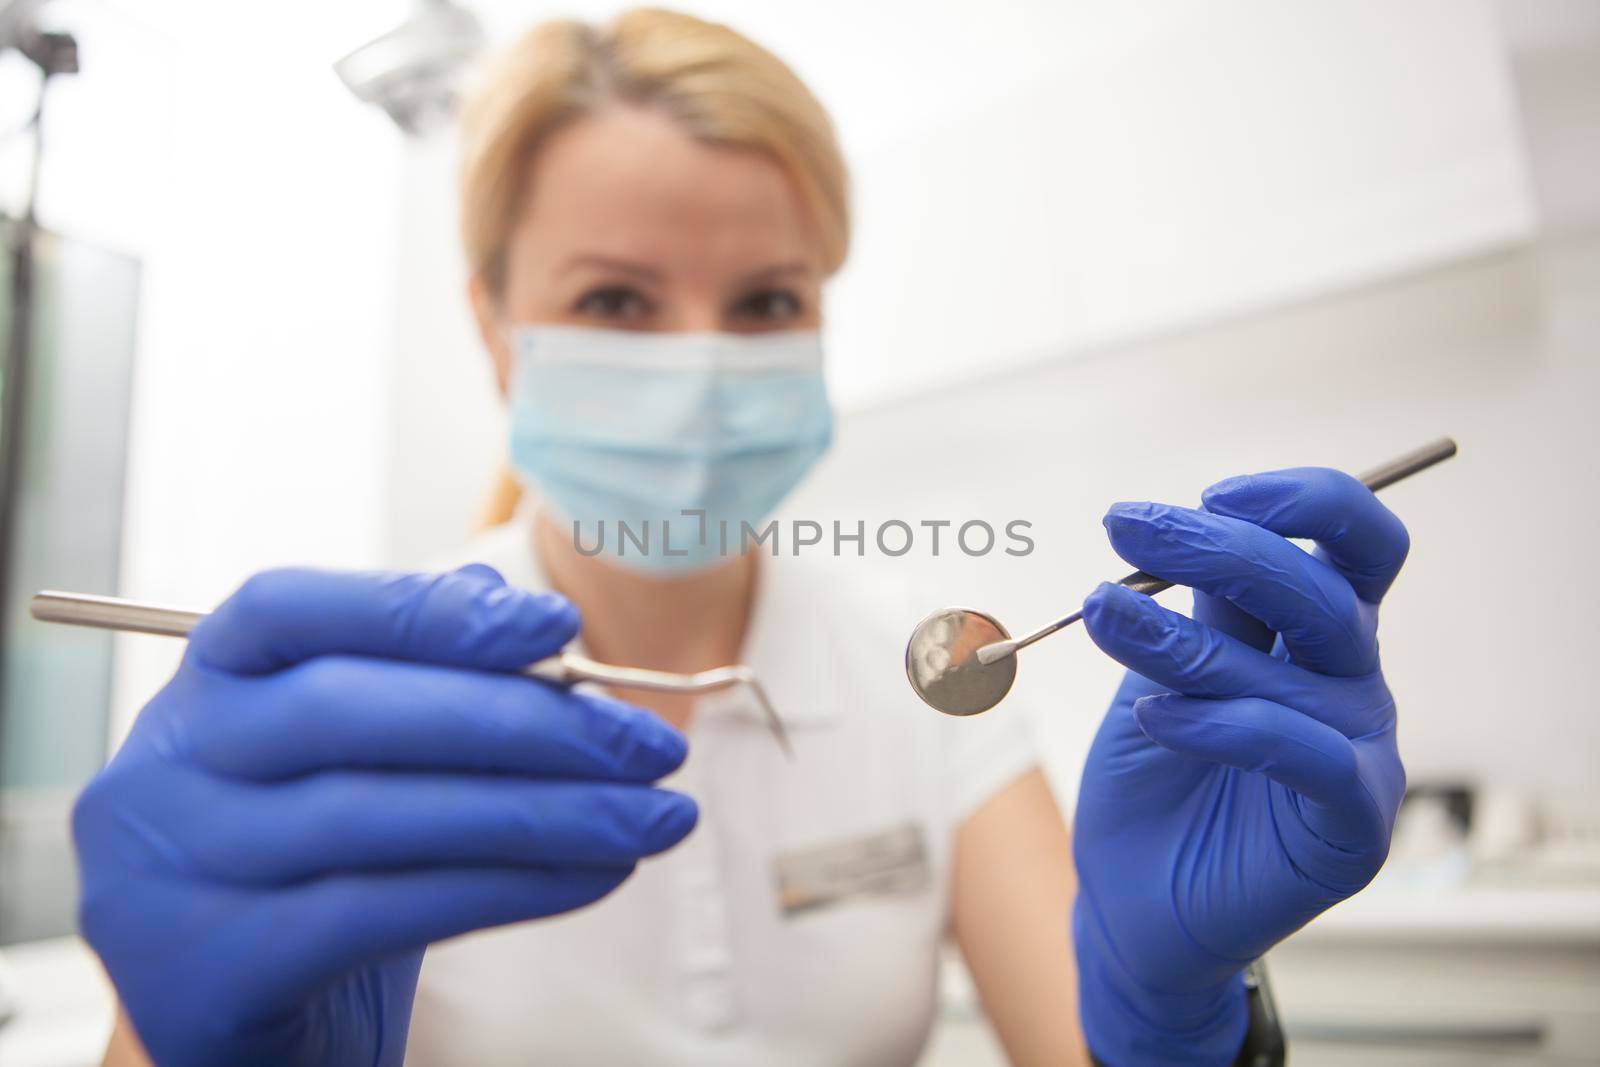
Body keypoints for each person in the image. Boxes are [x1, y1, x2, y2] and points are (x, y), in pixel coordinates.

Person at [77, 9, 1409, 1067]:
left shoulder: (928, 681)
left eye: (767, 299)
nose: (704, 364)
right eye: (615, 297)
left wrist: (1174, 1016)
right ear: (494, 328)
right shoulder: (367, 717)